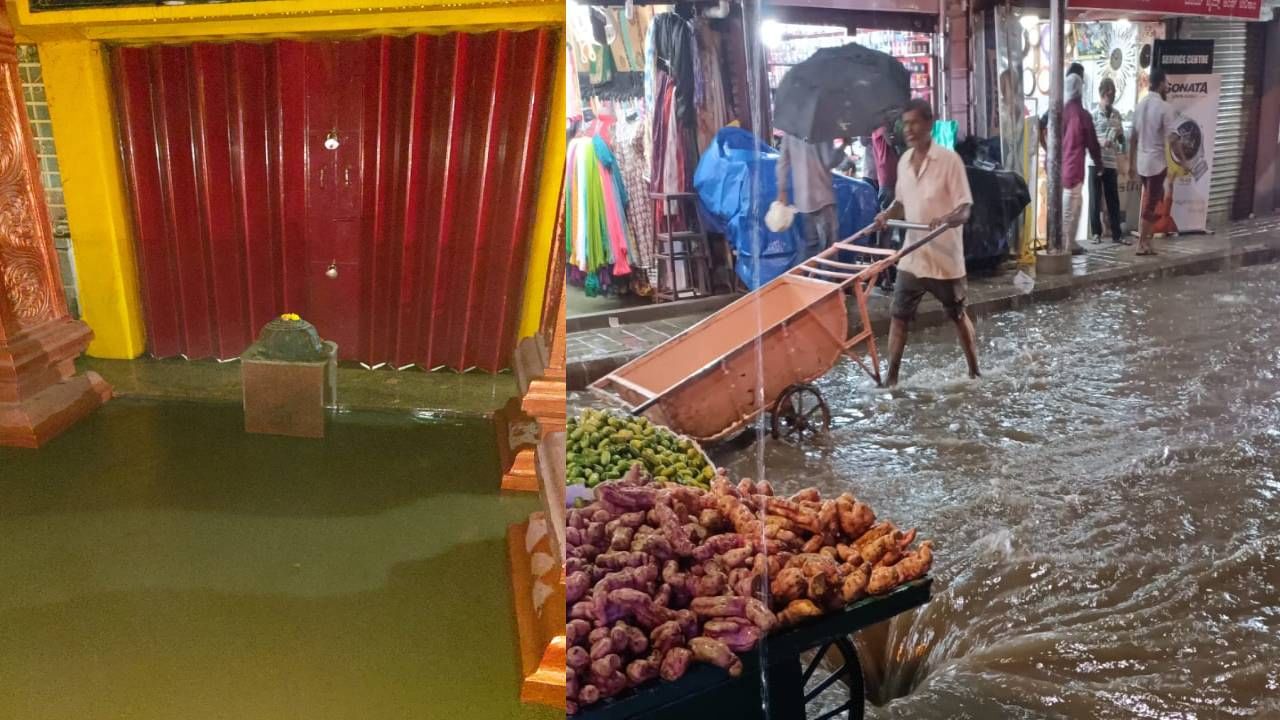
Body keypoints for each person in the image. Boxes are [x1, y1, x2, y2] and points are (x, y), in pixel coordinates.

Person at [872, 98, 979, 387]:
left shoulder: (949, 161)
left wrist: (947, 218)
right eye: (904, 124)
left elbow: (965, 208)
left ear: (929, 124)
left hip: (944, 257)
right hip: (913, 254)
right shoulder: (905, 161)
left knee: (957, 315)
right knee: (898, 317)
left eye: (914, 122)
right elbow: (901, 201)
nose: (908, 129)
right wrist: (886, 214)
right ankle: (891, 380)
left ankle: (974, 371)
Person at [1129, 68, 1178, 256]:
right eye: (1166, 83)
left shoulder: (1140, 105)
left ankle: (1147, 241)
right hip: (1156, 163)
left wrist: (1132, 163)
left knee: (1154, 199)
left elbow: (1132, 137)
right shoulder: (1164, 108)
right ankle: (1142, 243)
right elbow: (1172, 139)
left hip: (1142, 162)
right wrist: (1182, 158)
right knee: (1150, 204)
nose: (1167, 86)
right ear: (1160, 84)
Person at [776, 131, 844, 250]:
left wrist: (782, 190)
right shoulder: (821, 129)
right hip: (823, 199)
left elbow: (782, 163)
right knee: (829, 250)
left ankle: (806, 269)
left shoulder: (790, 132)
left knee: (810, 248)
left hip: (803, 202)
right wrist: (844, 145)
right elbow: (829, 161)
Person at [1062, 73, 1103, 255]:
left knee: (1073, 205)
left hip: (1061, 168)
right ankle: (1066, 245)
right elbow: (1093, 143)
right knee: (1071, 207)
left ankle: (1068, 243)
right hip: (1073, 168)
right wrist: (1099, 163)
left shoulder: (1061, 112)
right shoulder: (1081, 115)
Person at [1090, 77, 1127, 244]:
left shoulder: (1117, 114)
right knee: (1095, 198)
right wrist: (1100, 142)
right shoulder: (1093, 114)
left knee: (1113, 198)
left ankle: (1116, 234)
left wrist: (1120, 136)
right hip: (1095, 161)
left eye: (1114, 94)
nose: (1113, 97)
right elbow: (1088, 139)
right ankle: (1096, 233)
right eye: (1111, 93)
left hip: (1111, 161)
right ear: (1104, 93)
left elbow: (1122, 142)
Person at [871, 118, 901, 291]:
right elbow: (894, 141)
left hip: (889, 181)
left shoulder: (878, 128)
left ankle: (889, 276)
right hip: (890, 182)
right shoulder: (882, 126)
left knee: (889, 233)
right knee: (886, 232)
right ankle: (886, 277)